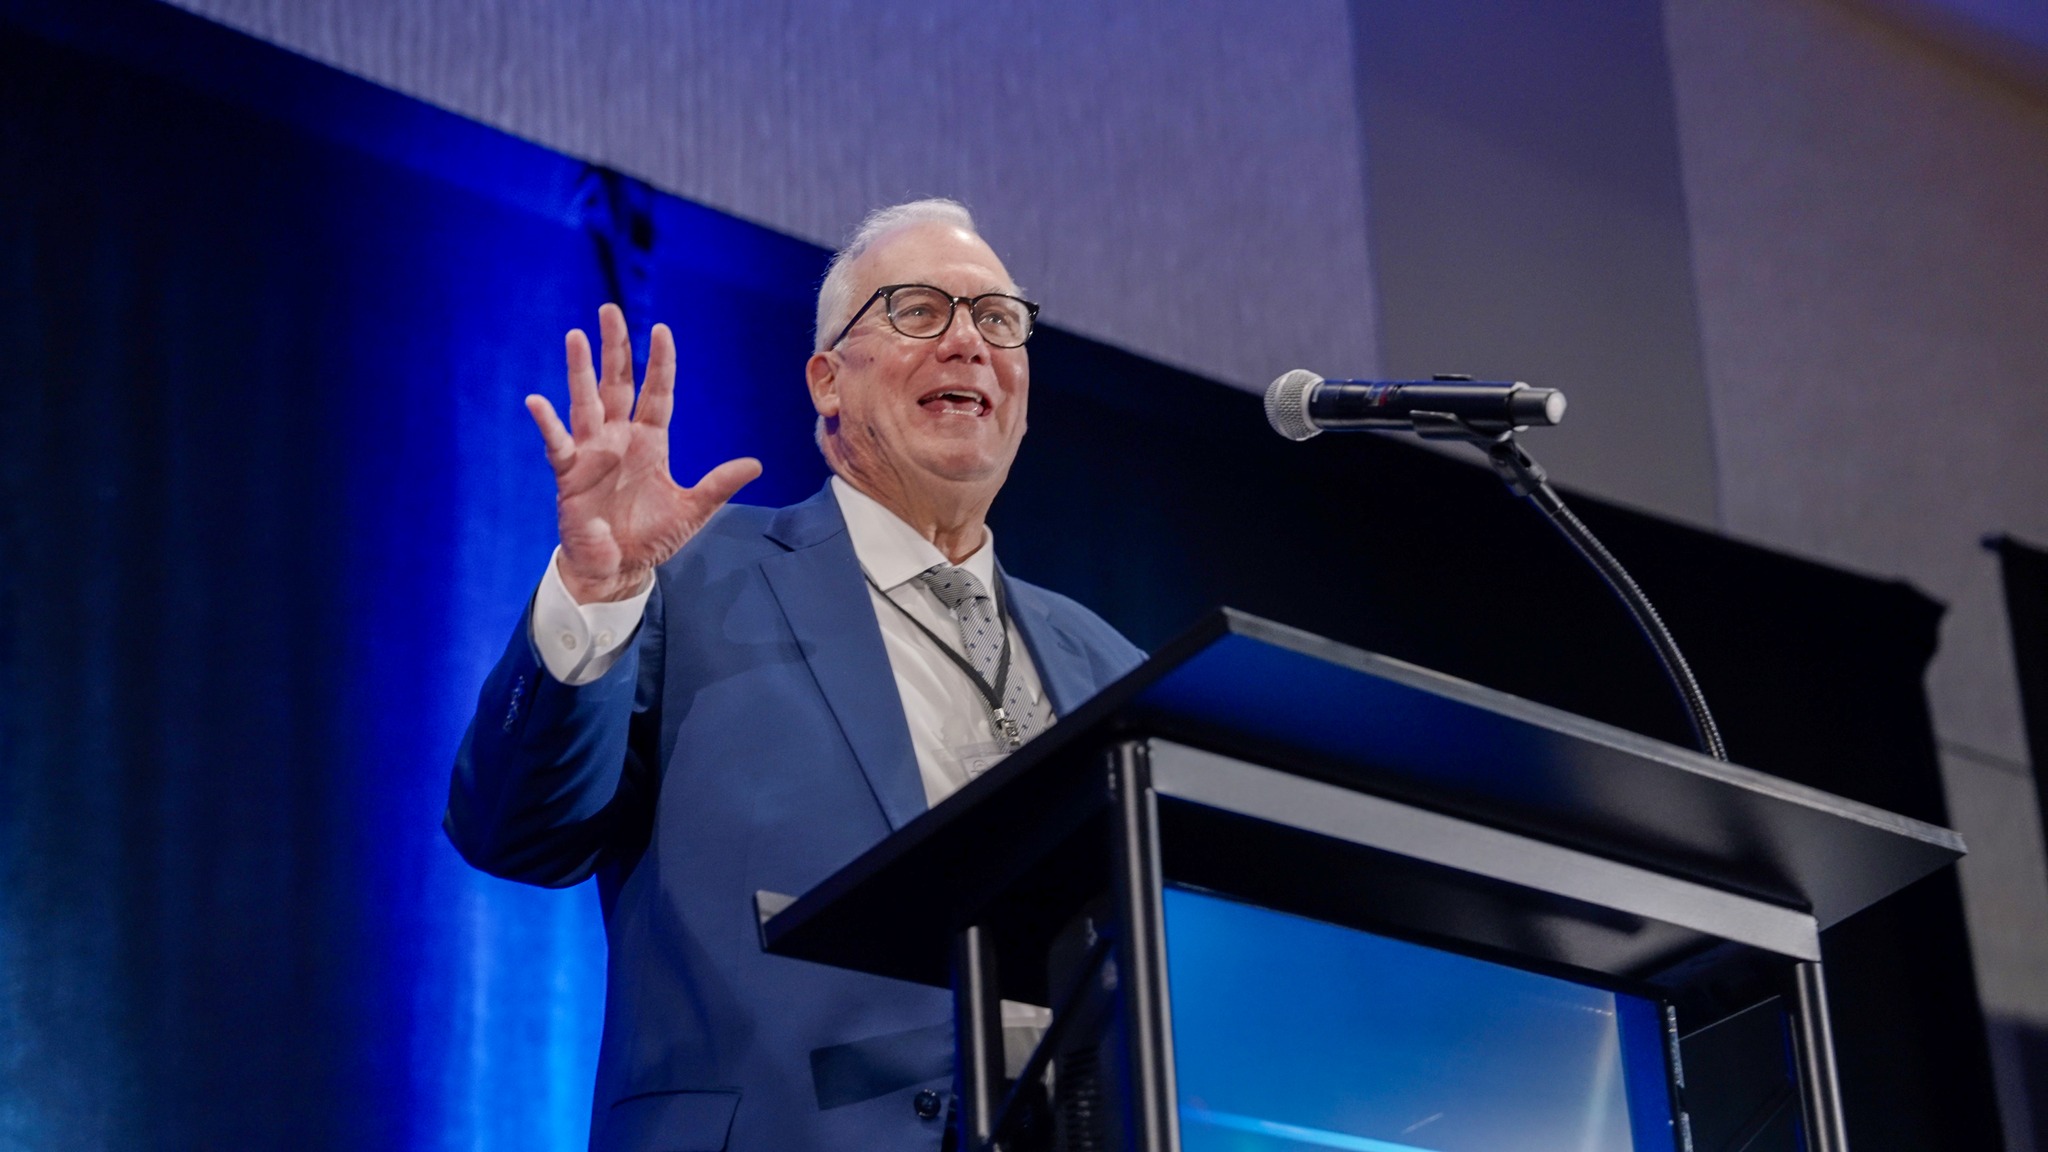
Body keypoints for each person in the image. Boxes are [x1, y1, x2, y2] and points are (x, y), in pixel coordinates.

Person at [446, 199, 1145, 1152]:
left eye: (998, 319)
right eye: (918, 310)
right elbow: (513, 830)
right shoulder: (691, 578)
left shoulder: (1112, 666)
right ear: (827, 380)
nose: (968, 344)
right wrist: (597, 593)